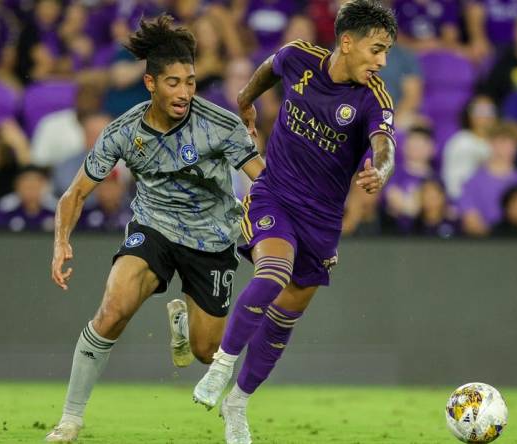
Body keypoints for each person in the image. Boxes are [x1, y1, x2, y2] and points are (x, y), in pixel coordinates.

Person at [44, 15, 264, 442]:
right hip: (154, 228)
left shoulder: (219, 124)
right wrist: (60, 243)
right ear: (150, 84)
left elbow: (265, 179)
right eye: (174, 83)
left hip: (213, 238)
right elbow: (74, 195)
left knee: (205, 353)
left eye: (191, 82)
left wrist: (275, 229)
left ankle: (183, 324)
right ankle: (70, 419)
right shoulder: (124, 132)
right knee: (113, 310)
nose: (184, 93)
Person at [192, 2, 398, 443]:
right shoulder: (299, 56)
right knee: (274, 271)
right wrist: (245, 101)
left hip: (322, 223)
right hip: (274, 195)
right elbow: (269, 67)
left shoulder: (372, 97)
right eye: (376, 50)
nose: (381, 61)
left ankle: (238, 403)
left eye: (386, 53)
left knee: (287, 314)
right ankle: (220, 367)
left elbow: (383, 142)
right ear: (347, 42)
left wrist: (380, 169)